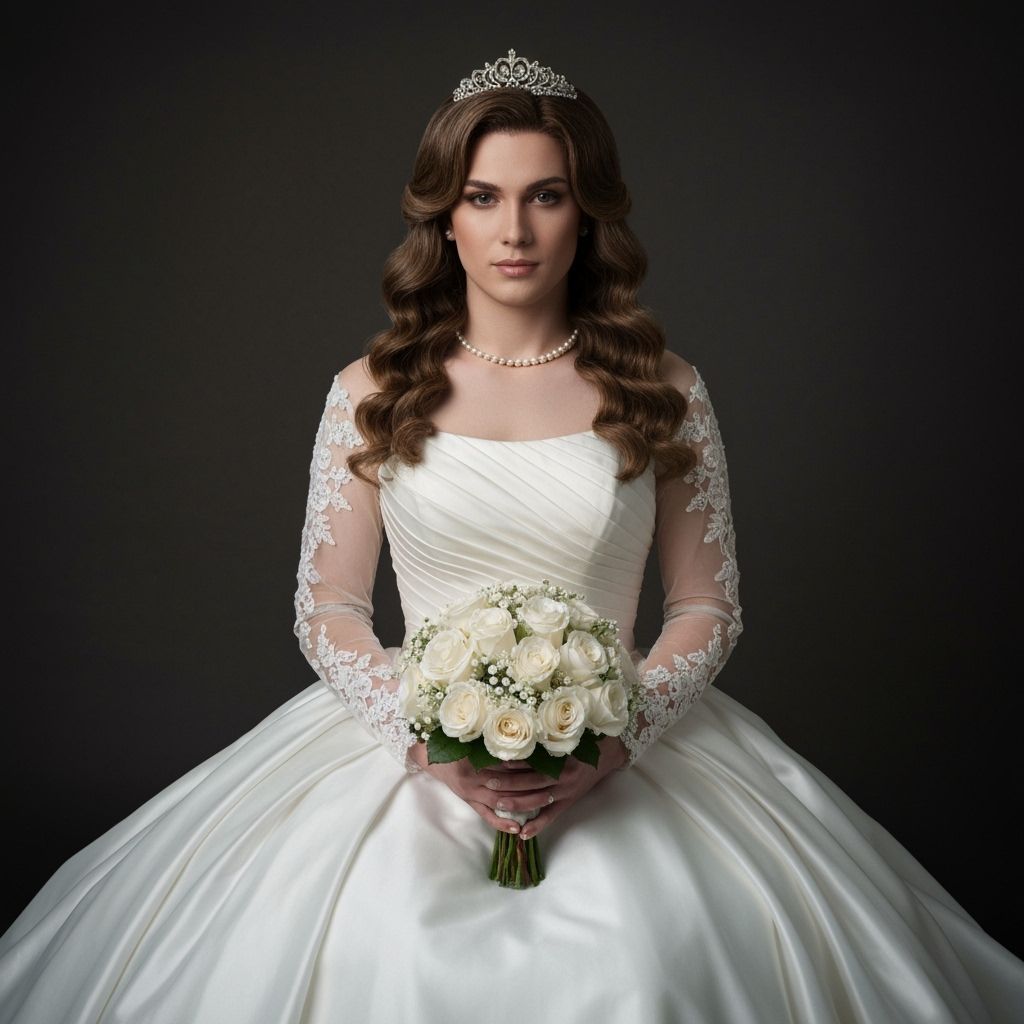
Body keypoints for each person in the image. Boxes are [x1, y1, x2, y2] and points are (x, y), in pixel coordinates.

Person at [1, 48, 1021, 1024]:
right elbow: (331, 607)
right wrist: (432, 737)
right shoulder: (370, 392)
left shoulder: (664, 391)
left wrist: (617, 737)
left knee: (654, 953)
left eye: (546, 194)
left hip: (621, 747)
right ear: (444, 216)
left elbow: (708, 603)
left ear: (589, 212)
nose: (514, 229)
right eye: (483, 196)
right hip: (414, 742)